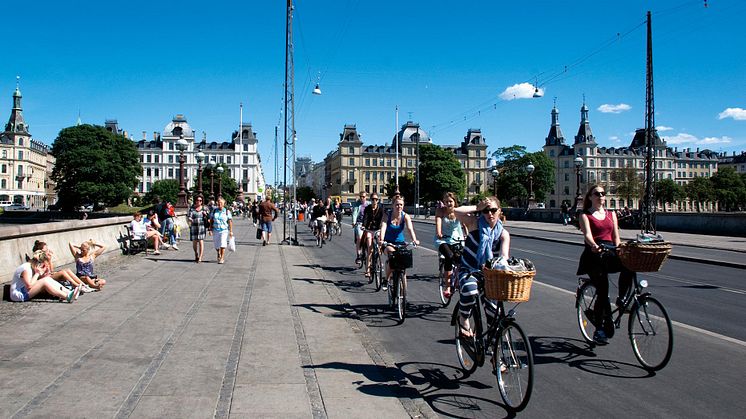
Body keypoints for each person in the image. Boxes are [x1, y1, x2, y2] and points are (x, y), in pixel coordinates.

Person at [577, 185, 634, 345]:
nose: (601, 196)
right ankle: (599, 329)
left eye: (603, 193)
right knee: (603, 290)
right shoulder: (585, 215)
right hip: (594, 254)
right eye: (597, 193)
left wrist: (621, 248)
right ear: (590, 197)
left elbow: (616, 236)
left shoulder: (611, 214)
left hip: (610, 251)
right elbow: (587, 234)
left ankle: (622, 299)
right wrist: (594, 245)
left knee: (629, 266)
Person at [453, 196, 510, 338]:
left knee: (494, 314)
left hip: (490, 275)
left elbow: (504, 256)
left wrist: (502, 266)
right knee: (471, 291)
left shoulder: (503, 234)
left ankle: (494, 352)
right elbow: (456, 211)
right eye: (486, 211)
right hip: (469, 269)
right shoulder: (474, 223)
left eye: (493, 210)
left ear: (499, 211)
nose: (489, 213)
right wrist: (477, 208)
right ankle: (463, 318)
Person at [379, 195, 419, 288]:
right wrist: (381, 240)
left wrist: (414, 240)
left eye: (401, 204)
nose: (399, 207)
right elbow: (383, 227)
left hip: (400, 243)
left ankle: (403, 292)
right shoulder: (387, 215)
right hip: (388, 243)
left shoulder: (405, 216)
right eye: (397, 204)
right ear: (393, 205)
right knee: (392, 255)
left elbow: (410, 228)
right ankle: (386, 279)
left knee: (403, 263)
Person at [10, 250, 81, 303]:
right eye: (42, 266)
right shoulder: (26, 268)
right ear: (38, 264)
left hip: (24, 290)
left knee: (47, 279)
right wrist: (37, 273)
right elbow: (29, 285)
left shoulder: (30, 267)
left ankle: (69, 292)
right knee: (44, 281)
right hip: (18, 294)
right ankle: (67, 296)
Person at [435, 192, 466, 299]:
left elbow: (464, 224)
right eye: (446, 201)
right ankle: (447, 287)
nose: (448, 203)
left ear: (454, 202)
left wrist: (467, 235)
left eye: (450, 201)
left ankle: (458, 279)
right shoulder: (441, 211)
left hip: (457, 239)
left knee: (462, 259)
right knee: (449, 256)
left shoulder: (458, 212)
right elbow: (438, 222)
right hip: (443, 240)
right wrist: (439, 233)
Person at [361, 192, 384, 278]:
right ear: (370, 200)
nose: (374, 201)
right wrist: (363, 226)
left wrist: (383, 226)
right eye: (373, 199)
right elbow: (365, 218)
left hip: (377, 229)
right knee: (370, 249)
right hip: (369, 229)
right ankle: (367, 270)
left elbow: (383, 219)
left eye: (376, 199)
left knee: (380, 242)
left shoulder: (381, 209)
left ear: (378, 200)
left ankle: (379, 259)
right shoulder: (367, 208)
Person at [208, 197, 233, 263]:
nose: (219, 204)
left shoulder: (227, 212)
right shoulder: (214, 211)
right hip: (216, 230)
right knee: (216, 245)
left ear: (224, 204)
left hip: (224, 230)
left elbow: (230, 221)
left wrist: (231, 231)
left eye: (221, 202)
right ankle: (218, 252)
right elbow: (211, 220)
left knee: (223, 243)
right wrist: (210, 229)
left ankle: (222, 258)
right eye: (218, 202)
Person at [187, 195, 209, 262]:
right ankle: (196, 253)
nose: (199, 202)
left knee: (201, 241)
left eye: (200, 200)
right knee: (194, 242)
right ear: (195, 201)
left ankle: (200, 257)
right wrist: (190, 219)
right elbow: (189, 216)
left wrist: (206, 215)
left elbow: (209, 217)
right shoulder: (192, 208)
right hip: (194, 226)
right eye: (197, 200)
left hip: (202, 226)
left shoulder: (204, 208)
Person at [352, 192, 368, 263]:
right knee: (359, 237)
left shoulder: (369, 204)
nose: (362, 198)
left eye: (364, 197)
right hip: (359, 223)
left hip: (368, 223)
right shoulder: (357, 204)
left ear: (366, 197)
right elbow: (354, 213)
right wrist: (354, 222)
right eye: (361, 197)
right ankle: (358, 255)